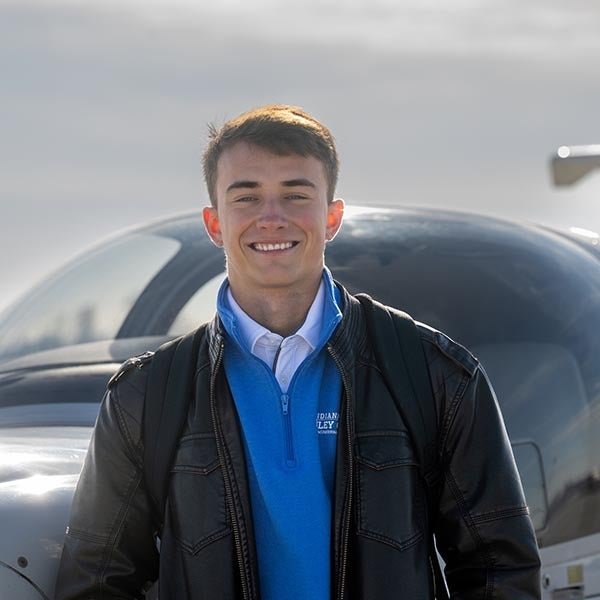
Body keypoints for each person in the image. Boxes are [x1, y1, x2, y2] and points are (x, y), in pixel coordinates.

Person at [55, 105, 541, 599]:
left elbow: (499, 569)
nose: (272, 217)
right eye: (246, 197)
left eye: (295, 194)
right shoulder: (144, 397)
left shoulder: (437, 377)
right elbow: (97, 580)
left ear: (331, 217)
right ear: (214, 223)